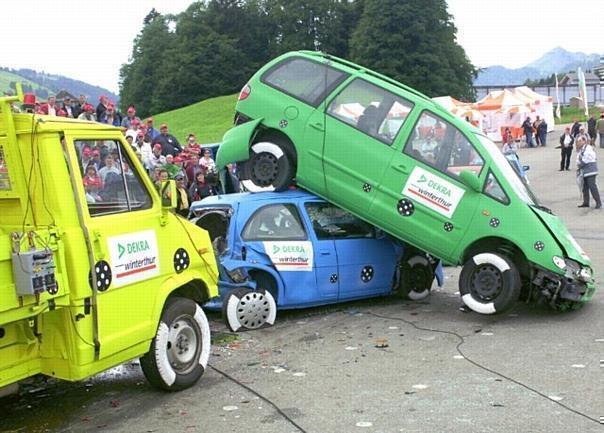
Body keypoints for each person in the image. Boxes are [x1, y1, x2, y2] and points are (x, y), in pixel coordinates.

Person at [576, 137, 601, 209]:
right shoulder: (581, 150)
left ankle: (598, 202)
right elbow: (578, 159)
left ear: (584, 141)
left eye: (580, 141)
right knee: (584, 187)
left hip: (591, 170)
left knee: (592, 186)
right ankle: (586, 202)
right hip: (584, 171)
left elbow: (587, 158)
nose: (579, 142)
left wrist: (581, 164)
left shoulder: (588, 148)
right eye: (578, 141)